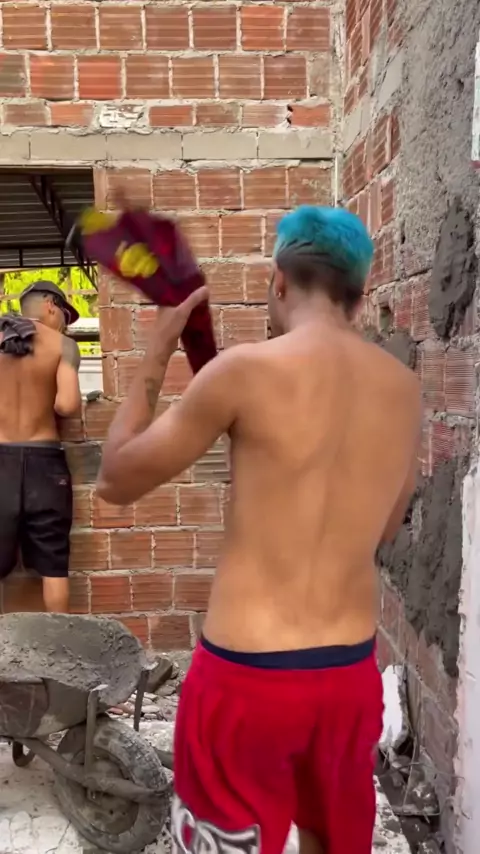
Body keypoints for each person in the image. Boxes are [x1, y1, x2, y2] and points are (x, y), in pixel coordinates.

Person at [97, 205, 422, 854]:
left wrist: (157, 353)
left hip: (247, 681)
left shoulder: (244, 371)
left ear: (279, 281)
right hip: (347, 676)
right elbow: (386, 527)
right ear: (358, 297)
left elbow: (116, 479)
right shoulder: (404, 390)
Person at [0, 280, 81, 614]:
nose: (65, 323)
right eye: (64, 314)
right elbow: (67, 405)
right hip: (45, 465)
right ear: (50, 305)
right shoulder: (63, 345)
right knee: (54, 564)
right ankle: (59, 641)